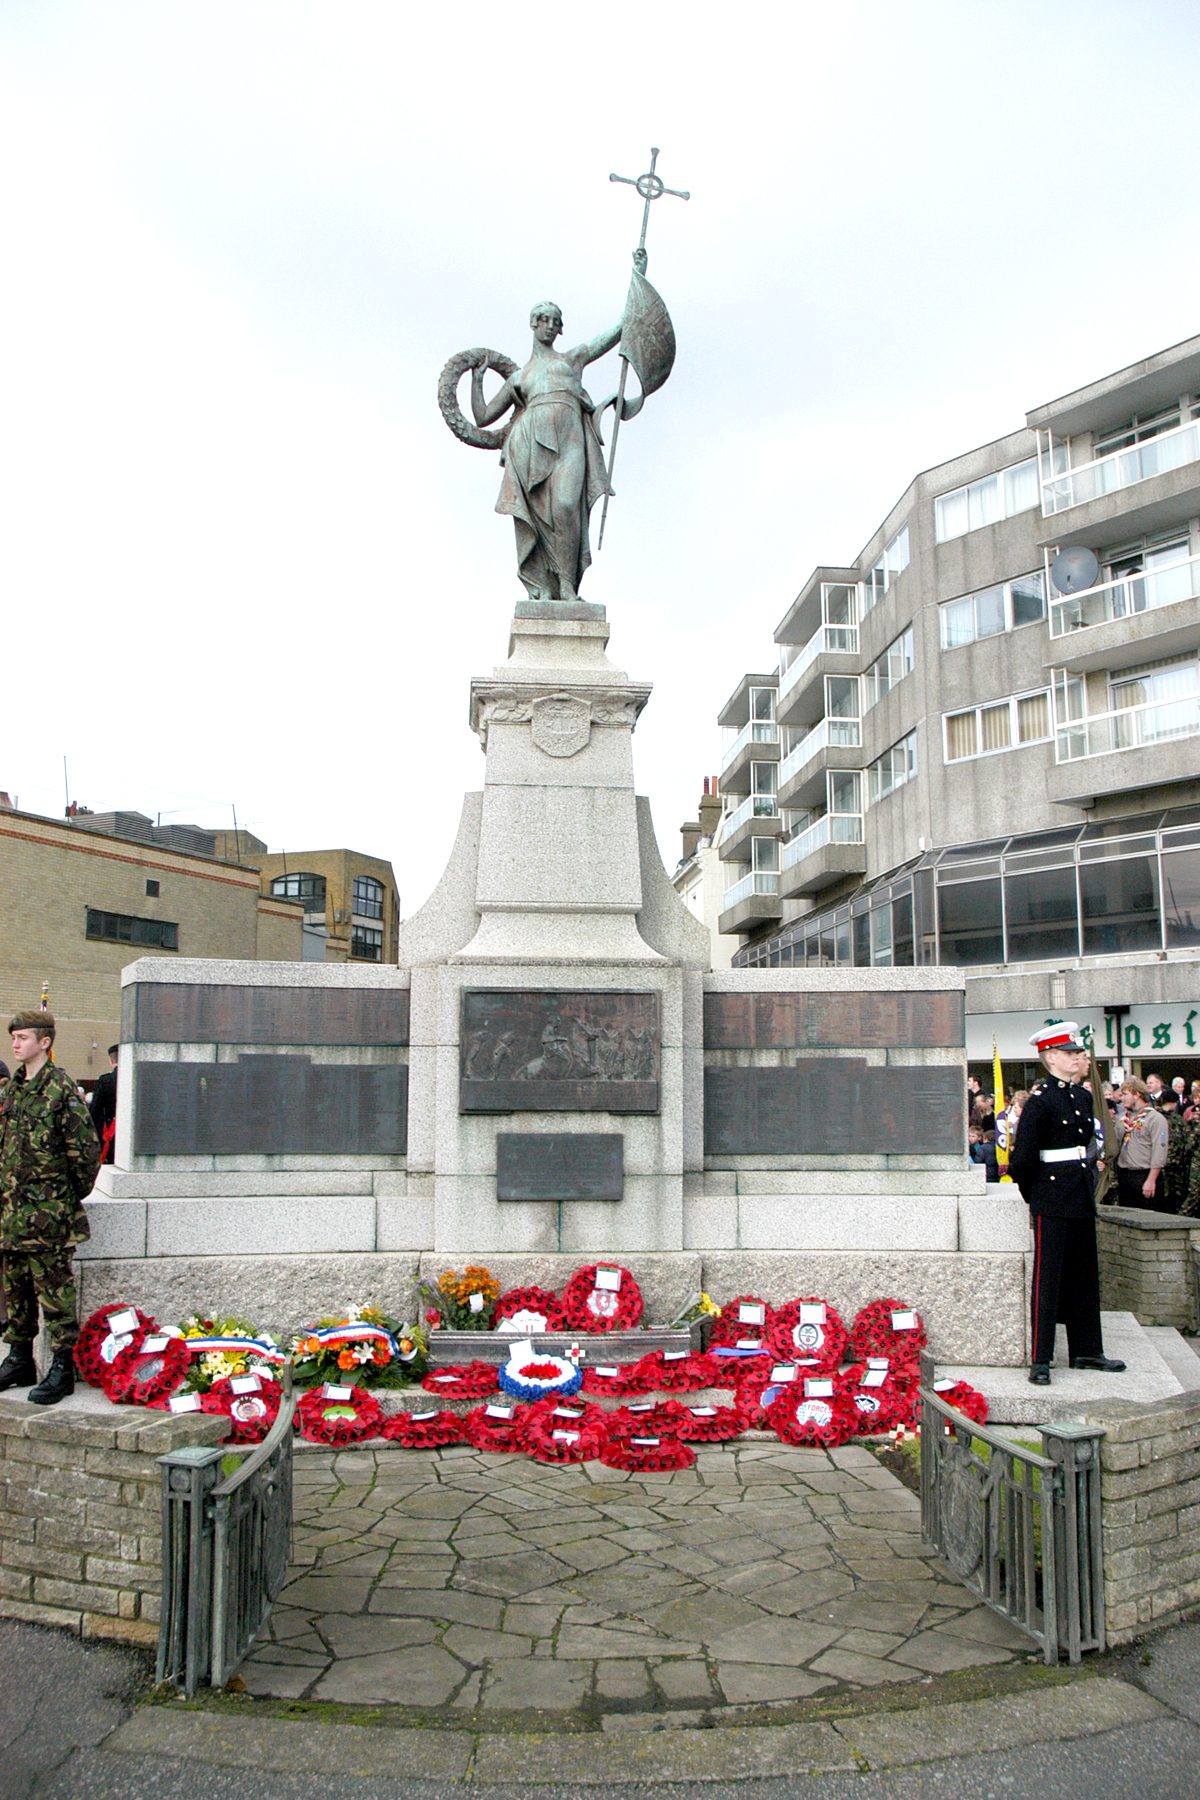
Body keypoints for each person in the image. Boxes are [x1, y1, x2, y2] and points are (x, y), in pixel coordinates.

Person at [470, 297, 625, 604]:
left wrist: (636, 286)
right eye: (545, 320)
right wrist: (477, 380)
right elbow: (483, 416)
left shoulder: (572, 360)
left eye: (556, 322)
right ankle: (546, 584)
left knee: (567, 506)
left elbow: (615, 333)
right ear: (533, 323)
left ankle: (567, 585)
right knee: (540, 516)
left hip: (571, 441)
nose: (550, 326)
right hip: (530, 448)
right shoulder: (520, 377)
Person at [1009, 1022, 1125, 1386]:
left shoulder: (1082, 1097)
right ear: (1051, 1058)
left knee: (1084, 1274)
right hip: (1052, 1195)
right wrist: (1037, 1197)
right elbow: (1022, 1162)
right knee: (1048, 1279)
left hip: (1079, 1192)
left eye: (1079, 1052)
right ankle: (1041, 1358)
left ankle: (1087, 1349)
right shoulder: (1040, 1103)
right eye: (1071, 1053)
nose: (1079, 1058)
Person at [0, 1009, 100, 1404]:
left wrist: (59, 1198)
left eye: (22, 1037)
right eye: (13, 1037)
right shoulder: (12, 1090)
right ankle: (19, 1359)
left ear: (45, 1042)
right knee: (17, 1290)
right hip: (12, 1215)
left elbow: (86, 1153)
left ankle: (62, 1367)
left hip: (48, 1217)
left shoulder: (60, 1090)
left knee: (55, 1294)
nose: (15, 1043)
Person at [1115, 1077, 1168, 1210]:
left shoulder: (1155, 1119)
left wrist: (1151, 1180)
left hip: (1145, 1174)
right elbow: (1114, 1145)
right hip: (1125, 1175)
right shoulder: (1122, 1119)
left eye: (1125, 1094)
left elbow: (1159, 1151)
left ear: (1137, 1094)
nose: (1122, 1099)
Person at [88, 1044, 119, 1165]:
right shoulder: (139, 1078)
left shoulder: (105, 1081)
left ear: (111, 1060)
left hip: (112, 1135)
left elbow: (94, 1111)